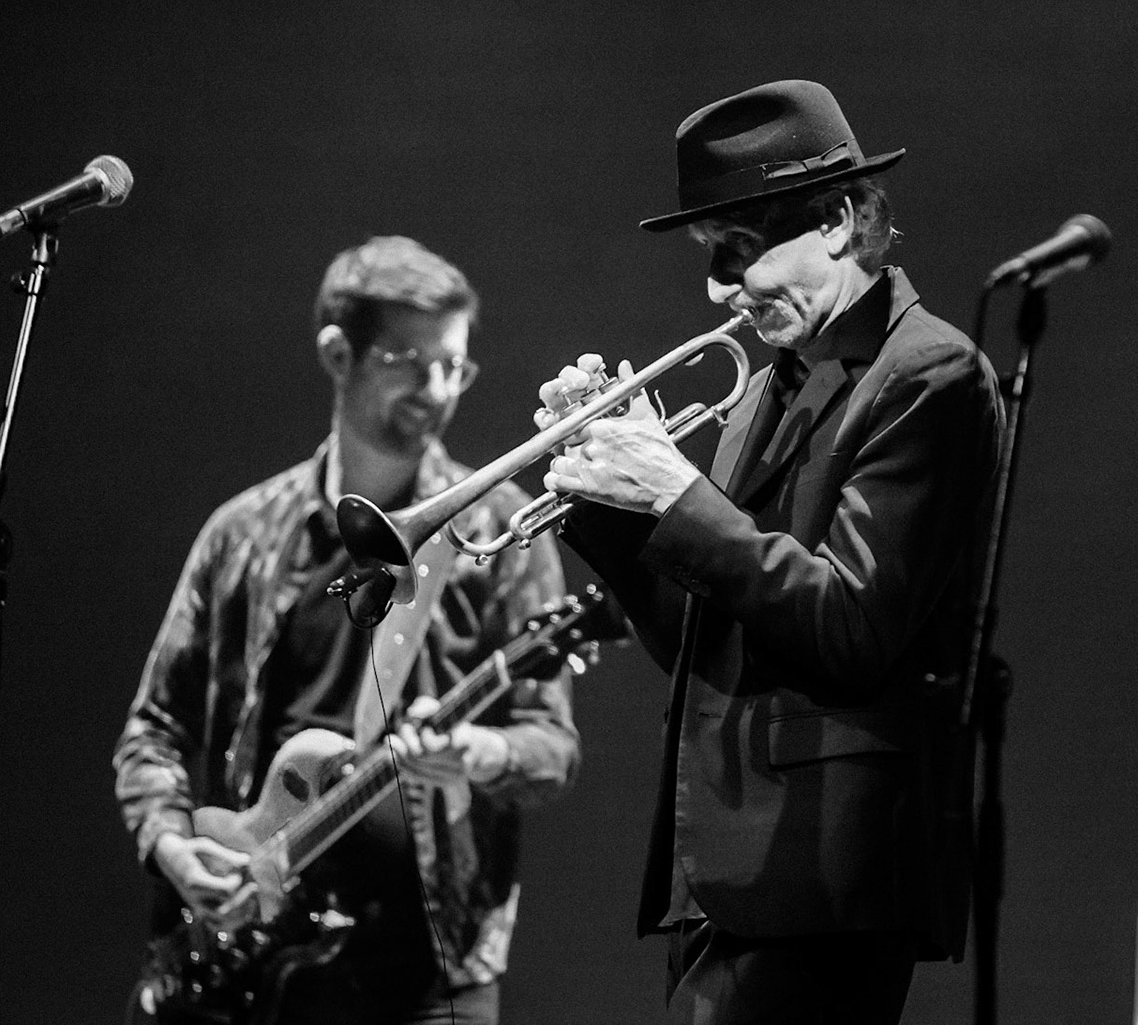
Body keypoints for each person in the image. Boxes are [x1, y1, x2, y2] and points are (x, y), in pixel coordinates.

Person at [536, 79, 1004, 1024]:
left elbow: (851, 626)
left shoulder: (932, 374)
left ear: (839, 221)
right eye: (712, 257)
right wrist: (608, 502)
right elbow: (706, 641)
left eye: (741, 251)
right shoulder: (759, 392)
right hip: (722, 870)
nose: (717, 288)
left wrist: (675, 490)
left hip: (826, 873)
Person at [114, 236, 579, 1025]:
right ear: (338, 354)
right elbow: (154, 729)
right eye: (408, 360)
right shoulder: (242, 534)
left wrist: (478, 753)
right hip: (254, 951)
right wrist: (169, 845)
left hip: (429, 967)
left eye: (453, 365)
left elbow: (551, 744)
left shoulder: (498, 533)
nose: (435, 389)